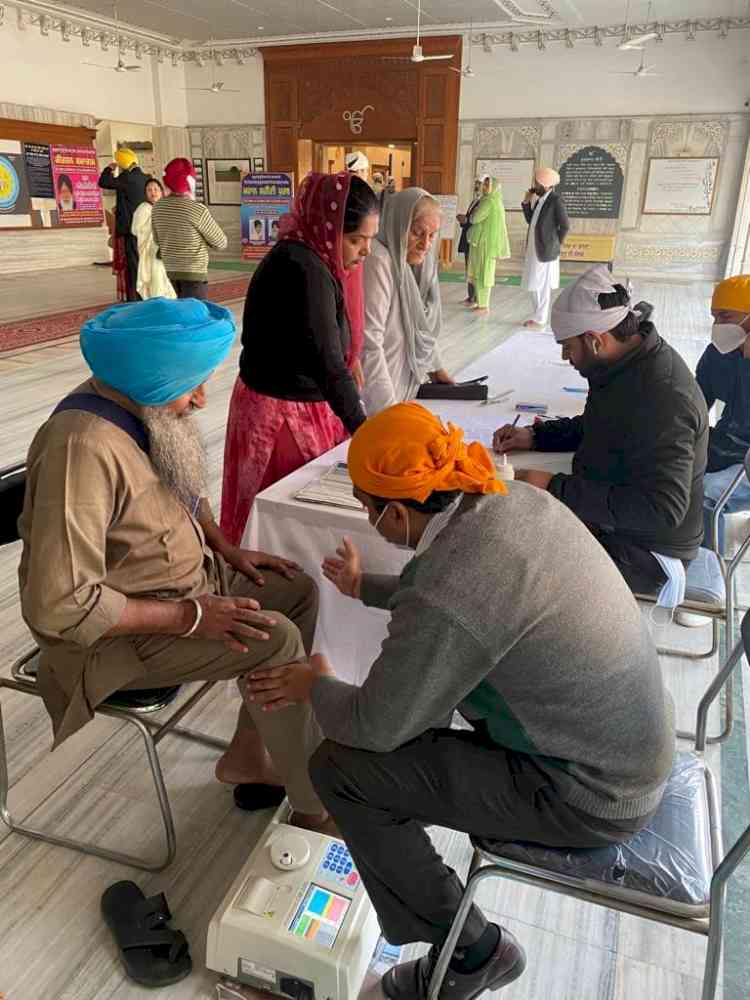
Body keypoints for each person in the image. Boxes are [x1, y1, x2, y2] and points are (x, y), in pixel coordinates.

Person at [246, 402, 675, 1000]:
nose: (371, 522)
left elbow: (375, 723)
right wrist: (363, 586)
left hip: (588, 792)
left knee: (342, 771)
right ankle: (410, 861)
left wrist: (314, 683)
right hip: (625, 753)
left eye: (368, 509)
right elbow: (453, 593)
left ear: (393, 511)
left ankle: (475, 951)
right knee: (412, 725)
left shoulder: (456, 584)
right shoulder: (510, 502)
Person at [18, 297, 332, 830]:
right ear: (156, 378)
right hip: (113, 642)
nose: (202, 398)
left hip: (186, 592)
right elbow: (58, 604)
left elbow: (183, 489)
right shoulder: (82, 446)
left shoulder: (141, 406)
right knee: (273, 637)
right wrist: (193, 617)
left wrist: (226, 548)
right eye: (193, 384)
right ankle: (315, 810)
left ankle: (248, 754)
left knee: (295, 588)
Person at [493, 266, 708, 596]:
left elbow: (662, 510)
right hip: (617, 521)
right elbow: (602, 424)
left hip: (646, 554)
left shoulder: (663, 397)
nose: (567, 358)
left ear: (594, 340)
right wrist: (538, 436)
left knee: (506, 562)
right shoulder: (624, 365)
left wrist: (555, 487)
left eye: (568, 348)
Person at [219, 173, 380, 546]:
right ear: (328, 228)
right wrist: (368, 433)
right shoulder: (302, 268)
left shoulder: (312, 258)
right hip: (279, 420)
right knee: (284, 525)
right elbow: (328, 362)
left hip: (300, 406)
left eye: (370, 240)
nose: (366, 251)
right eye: (357, 240)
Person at [361, 188, 454, 415]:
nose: (426, 244)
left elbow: (419, 326)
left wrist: (436, 368)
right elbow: (369, 344)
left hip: (400, 394)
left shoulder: (409, 265)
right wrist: (390, 415)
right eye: (417, 232)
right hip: (377, 402)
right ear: (397, 224)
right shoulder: (379, 260)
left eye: (432, 235)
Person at [695, 274, 750, 551]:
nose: (718, 326)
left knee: (704, 494)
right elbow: (693, 406)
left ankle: (707, 577)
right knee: (662, 468)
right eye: (715, 317)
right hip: (725, 446)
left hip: (747, 463)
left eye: (725, 316)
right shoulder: (719, 354)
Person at [151, 158, 228, 300]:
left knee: (182, 309)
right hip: (194, 272)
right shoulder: (196, 209)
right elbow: (220, 242)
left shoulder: (158, 207)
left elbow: (157, 239)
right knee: (195, 315)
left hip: (171, 270)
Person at [521, 166, 569, 331]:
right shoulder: (540, 200)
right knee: (533, 283)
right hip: (534, 249)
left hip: (545, 250)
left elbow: (565, 226)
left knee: (541, 285)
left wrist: (555, 244)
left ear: (544, 184)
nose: (535, 185)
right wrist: (526, 203)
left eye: (537, 183)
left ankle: (540, 319)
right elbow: (531, 221)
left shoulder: (555, 200)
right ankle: (536, 316)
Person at [98, 148, 148, 302]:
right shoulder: (145, 177)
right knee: (143, 260)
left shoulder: (126, 177)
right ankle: (145, 293)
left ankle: (134, 296)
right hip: (144, 226)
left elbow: (104, 182)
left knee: (133, 264)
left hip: (129, 228)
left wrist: (109, 169)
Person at [466, 177, 510, 314]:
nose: (483, 187)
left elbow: (475, 218)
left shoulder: (489, 202)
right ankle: (480, 303)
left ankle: (483, 306)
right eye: (484, 184)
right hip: (482, 243)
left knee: (483, 273)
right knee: (480, 272)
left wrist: (472, 215)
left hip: (484, 244)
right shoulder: (494, 201)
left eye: (486, 184)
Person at [130, 177, 175, 301]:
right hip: (152, 252)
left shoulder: (166, 208)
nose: (153, 192)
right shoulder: (144, 208)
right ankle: (158, 308)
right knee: (157, 281)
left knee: (167, 282)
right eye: (149, 190)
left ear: (162, 191)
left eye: (156, 189)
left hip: (167, 251)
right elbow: (135, 230)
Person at [456, 177, 483, 305]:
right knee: (469, 269)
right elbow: (469, 220)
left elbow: (476, 221)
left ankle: (476, 298)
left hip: (475, 240)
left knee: (474, 270)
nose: (476, 187)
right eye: (476, 184)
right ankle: (470, 297)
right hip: (468, 238)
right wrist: (463, 221)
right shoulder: (475, 200)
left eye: (479, 184)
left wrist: (466, 220)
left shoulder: (483, 202)